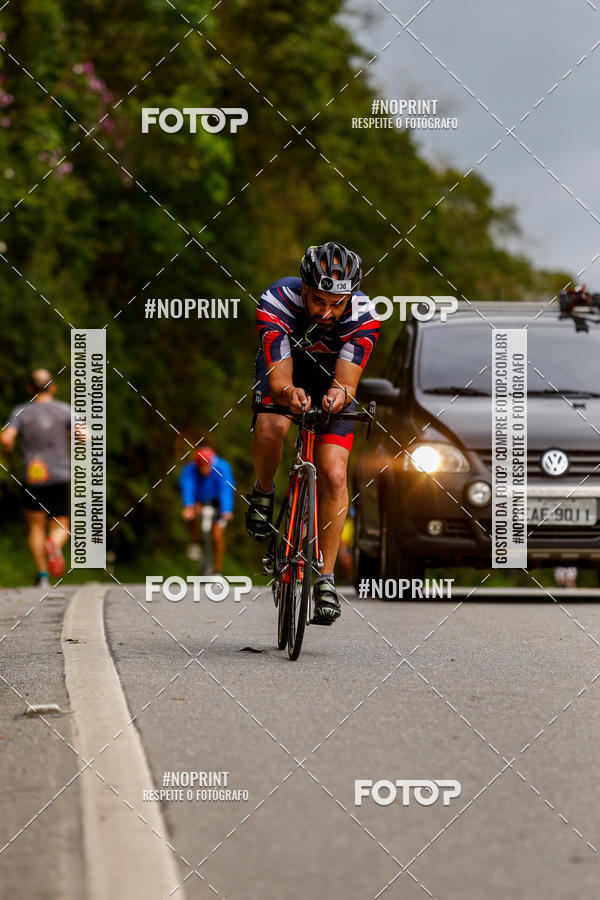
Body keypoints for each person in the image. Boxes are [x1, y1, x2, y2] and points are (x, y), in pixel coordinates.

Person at [245, 241, 379, 625]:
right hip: (286, 373)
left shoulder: (364, 316)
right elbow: (280, 382)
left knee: (334, 472)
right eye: (319, 301)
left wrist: (338, 396)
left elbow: (347, 383)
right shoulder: (277, 301)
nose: (328, 312)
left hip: (331, 382)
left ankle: (326, 577)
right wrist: (287, 393)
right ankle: (264, 492)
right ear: (303, 288)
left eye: (338, 303)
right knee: (273, 425)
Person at [1, 369, 71, 587]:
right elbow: (84, 434)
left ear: (30, 389)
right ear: (53, 387)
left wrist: (8, 450)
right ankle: (54, 543)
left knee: (35, 526)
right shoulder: (65, 410)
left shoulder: (21, 411)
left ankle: (42, 577)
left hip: (33, 475)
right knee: (61, 524)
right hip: (60, 474)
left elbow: (6, 438)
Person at [178, 446, 234, 574]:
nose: (203, 470)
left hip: (218, 504)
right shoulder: (190, 469)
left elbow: (226, 489)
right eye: (200, 467)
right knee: (190, 515)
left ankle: (217, 570)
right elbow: (188, 486)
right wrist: (188, 505)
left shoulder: (222, 467)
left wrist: (226, 510)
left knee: (217, 536)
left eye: (205, 466)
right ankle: (194, 542)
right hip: (200, 502)